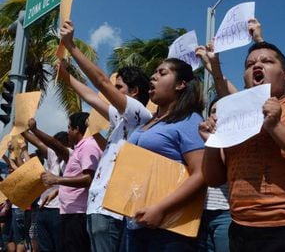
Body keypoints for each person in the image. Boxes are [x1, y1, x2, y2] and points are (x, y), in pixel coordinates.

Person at [200, 19, 285, 252]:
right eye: (249, 64)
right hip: (241, 231)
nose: (256, 66)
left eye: (267, 61)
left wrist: (275, 127)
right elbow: (213, 179)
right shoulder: (234, 117)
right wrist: (213, 141)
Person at [59, 20, 153, 252]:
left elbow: (100, 81)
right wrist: (66, 77)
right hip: (97, 208)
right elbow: (92, 96)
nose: (111, 92)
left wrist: (71, 47)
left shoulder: (140, 114)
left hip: (113, 211)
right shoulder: (121, 118)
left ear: (134, 92)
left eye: (118, 87)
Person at [124, 58, 205, 251]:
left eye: (162, 73)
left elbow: (201, 173)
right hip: (136, 221)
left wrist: (161, 209)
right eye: (154, 72)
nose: (153, 77)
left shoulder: (189, 120)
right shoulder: (150, 122)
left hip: (169, 228)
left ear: (180, 84)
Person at [37, 112, 102, 252]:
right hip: (71, 212)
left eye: (69, 128)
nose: (68, 132)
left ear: (77, 129)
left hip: (78, 214)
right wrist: (58, 190)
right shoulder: (81, 147)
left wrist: (57, 179)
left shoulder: (89, 146)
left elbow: (89, 178)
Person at [22, 127, 69, 252]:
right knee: (44, 247)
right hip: (43, 209)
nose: (52, 149)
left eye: (55, 145)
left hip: (59, 211)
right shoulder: (53, 156)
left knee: (59, 246)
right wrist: (22, 128)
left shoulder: (71, 157)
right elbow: (37, 142)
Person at [197, 98, 231, 252]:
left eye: (221, 112)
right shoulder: (201, 136)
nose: (216, 116)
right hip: (201, 214)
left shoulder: (233, 139)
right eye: (213, 111)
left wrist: (213, 141)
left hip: (226, 213)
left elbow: (225, 169)